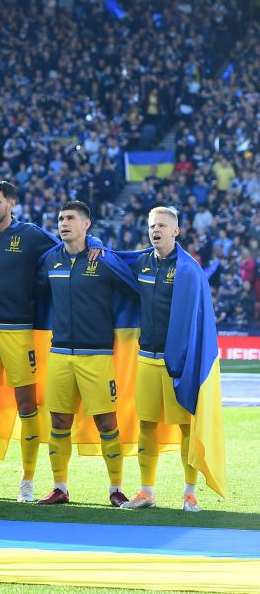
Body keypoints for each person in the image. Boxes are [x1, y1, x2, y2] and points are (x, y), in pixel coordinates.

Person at [0, 181, 57, 501]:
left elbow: (66, 245)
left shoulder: (30, 235)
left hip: (19, 333)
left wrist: (95, 240)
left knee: (27, 406)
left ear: (11, 204)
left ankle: (27, 481)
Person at [36, 201, 133, 506]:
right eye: (60, 218)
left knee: (107, 423)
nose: (63, 223)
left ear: (86, 224)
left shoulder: (104, 259)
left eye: (70, 219)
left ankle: (116, 489)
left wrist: (100, 246)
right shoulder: (50, 260)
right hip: (60, 353)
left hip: (97, 354)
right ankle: (60, 487)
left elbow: (135, 285)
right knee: (59, 422)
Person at [123, 206, 202, 512]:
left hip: (176, 364)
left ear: (175, 231)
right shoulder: (141, 262)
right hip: (146, 358)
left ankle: (190, 492)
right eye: (152, 226)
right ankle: (146, 492)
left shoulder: (188, 269)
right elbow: (116, 264)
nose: (156, 230)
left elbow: (198, 318)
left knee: (186, 427)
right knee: (146, 425)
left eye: (163, 225)